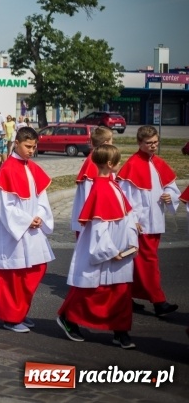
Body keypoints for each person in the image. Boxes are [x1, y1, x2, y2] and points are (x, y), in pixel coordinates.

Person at [56, 144, 139, 349]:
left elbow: (125, 212)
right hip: (108, 250)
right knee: (93, 292)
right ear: (110, 164)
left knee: (120, 291)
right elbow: (99, 228)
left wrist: (132, 232)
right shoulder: (101, 188)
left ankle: (120, 331)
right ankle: (69, 318)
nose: (120, 164)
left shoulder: (113, 185)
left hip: (121, 246)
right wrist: (111, 252)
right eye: (118, 161)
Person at [0, 127, 54, 333]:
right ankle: (11, 318)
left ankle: (19, 312)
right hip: (13, 234)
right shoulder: (6, 170)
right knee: (14, 276)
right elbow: (2, 207)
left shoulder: (32, 168)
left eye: (34, 147)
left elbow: (42, 198)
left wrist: (39, 216)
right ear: (16, 143)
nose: (32, 150)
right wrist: (25, 220)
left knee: (36, 268)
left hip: (33, 229)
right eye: (28, 146)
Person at [116, 125, 180, 317]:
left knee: (139, 262)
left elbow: (171, 187)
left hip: (156, 221)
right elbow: (124, 199)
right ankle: (159, 301)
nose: (153, 146)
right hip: (140, 224)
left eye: (155, 142)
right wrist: (132, 221)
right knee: (148, 262)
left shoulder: (159, 163)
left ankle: (127, 296)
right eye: (149, 143)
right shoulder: (132, 165)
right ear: (139, 143)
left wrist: (170, 196)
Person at [70, 126, 114, 237]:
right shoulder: (93, 163)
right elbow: (89, 196)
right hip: (92, 221)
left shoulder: (99, 160)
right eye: (112, 141)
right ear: (106, 143)